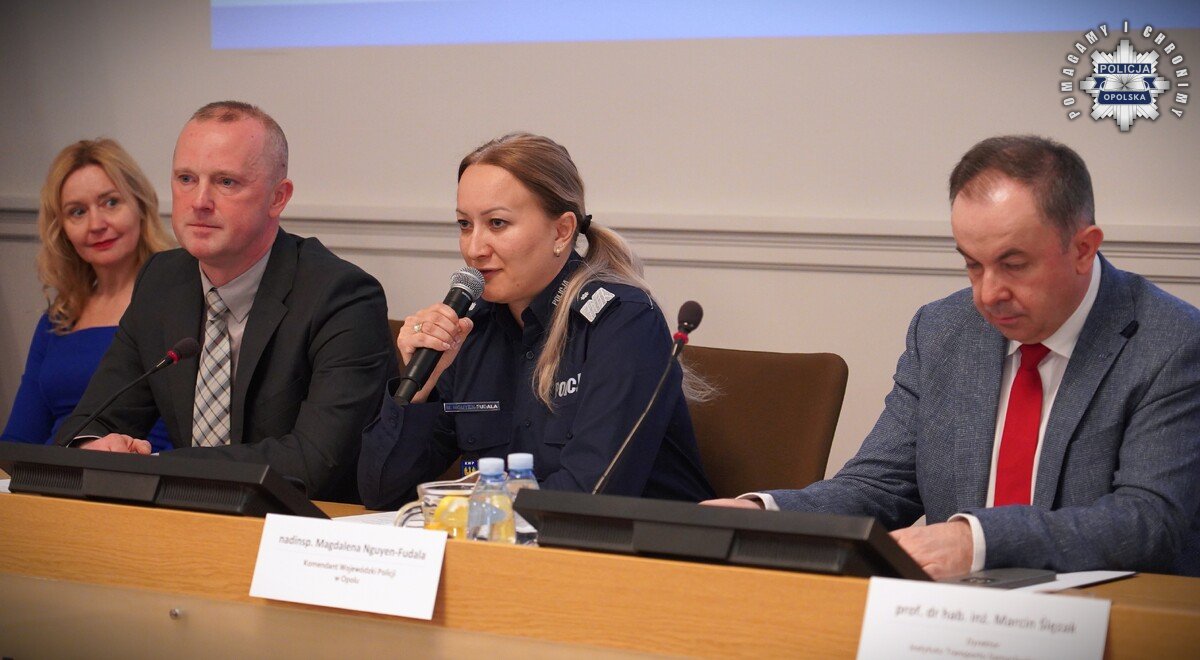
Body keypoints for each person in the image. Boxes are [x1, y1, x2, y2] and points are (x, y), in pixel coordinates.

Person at [706, 135, 1200, 578]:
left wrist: (976, 541)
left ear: (1083, 249)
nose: (988, 294)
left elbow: (1150, 520)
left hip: (1110, 616)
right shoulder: (943, 330)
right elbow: (881, 485)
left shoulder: (1172, 342)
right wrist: (764, 515)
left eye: (1013, 264)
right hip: (951, 619)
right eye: (972, 264)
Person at [54, 101, 396, 503]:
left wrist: (157, 467)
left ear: (277, 197)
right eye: (186, 179)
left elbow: (315, 462)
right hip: (184, 521)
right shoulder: (161, 281)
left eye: (226, 182)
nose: (199, 200)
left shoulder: (342, 297)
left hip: (303, 526)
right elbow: (95, 418)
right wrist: (93, 447)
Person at [358, 132, 715, 510]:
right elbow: (380, 492)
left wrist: (465, 510)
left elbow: (590, 498)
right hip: (507, 539)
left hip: (636, 544)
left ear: (562, 231)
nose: (474, 249)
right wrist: (420, 388)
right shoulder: (470, 330)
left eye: (497, 223)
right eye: (464, 224)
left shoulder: (623, 322)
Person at [2, 139, 172, 451]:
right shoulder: (59, 319)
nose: (96, 224)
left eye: (110, 203)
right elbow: (19, 440)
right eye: (78, 212)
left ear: (140, 204)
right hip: (55, 472)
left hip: (140, 470)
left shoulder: (178, 304)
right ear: (62, 229)